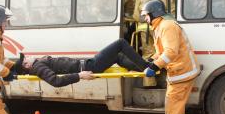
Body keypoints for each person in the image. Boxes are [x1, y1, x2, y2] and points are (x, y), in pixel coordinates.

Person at [141, 0, 200, 114]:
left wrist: (155, 67)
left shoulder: (166, 26)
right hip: (179, 72)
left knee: (173, 105)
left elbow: (171, 52)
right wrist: (152, 60)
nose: (145, 18)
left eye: (146, 15)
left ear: (154, 13)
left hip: (182, 72)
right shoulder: (161, 26)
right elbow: (162, 51)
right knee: (176, 104)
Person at [20, 38, 154, 88]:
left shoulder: (37, 64)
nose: (29, 57)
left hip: (88, 63)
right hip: (89, 66)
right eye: (26, 59)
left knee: (117, 57)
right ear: (27, 65)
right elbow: (56, 82)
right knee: (120, 43)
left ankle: (143, 67)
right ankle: (146, 66)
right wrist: (79, 75)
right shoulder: (38, 67)